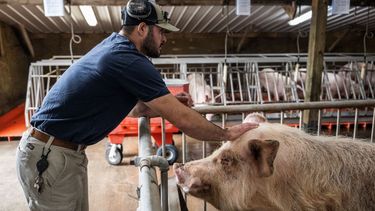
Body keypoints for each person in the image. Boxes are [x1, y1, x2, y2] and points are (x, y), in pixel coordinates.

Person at [16, 0, 258, 210]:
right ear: (143, 28)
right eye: (161, 32)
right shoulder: (128, 59)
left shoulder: (114, 48)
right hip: (49, 156)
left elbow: (135, 109)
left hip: (63, 153)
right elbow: (183, 121)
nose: (164, 40)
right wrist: (227, 133)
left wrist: (169, 104)